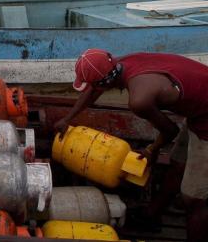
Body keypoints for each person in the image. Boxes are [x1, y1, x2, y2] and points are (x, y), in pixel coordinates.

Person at [54, 49, 208, 241]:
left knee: (194, 199)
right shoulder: (122, 63)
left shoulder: (139, 99)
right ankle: (151, 216)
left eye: (94, 84)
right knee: (178, 164)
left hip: (205, 123)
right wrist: (68, 118)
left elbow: (170, 131)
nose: (92, 88)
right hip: (199, 109)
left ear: (106, 82)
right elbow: (94, 89)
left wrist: (152, 149)